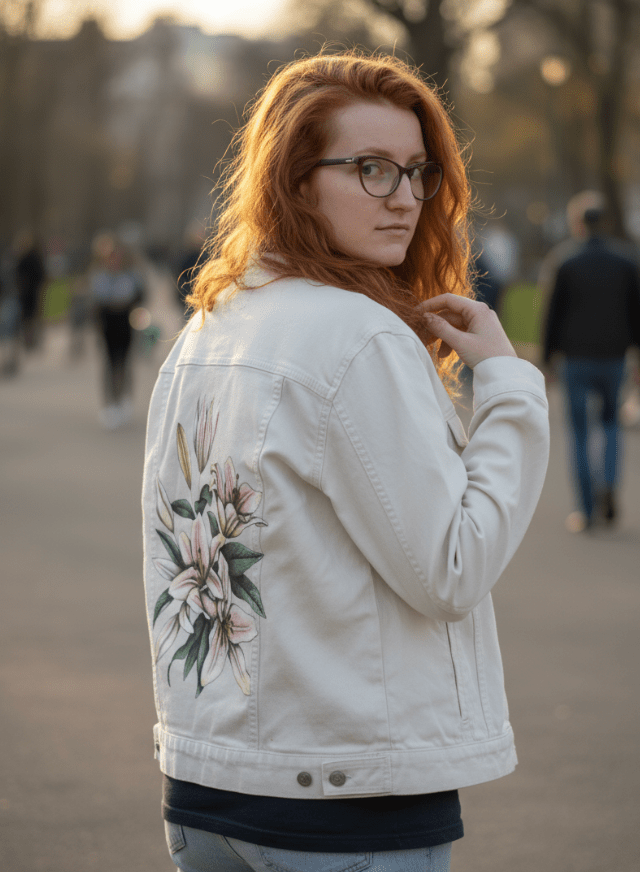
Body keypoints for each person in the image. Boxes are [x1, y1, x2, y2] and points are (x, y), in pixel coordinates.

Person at [142, 51, 550, 872]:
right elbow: (452, 567)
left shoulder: (209, 329)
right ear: (295, 182)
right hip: (343, 806)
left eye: (416, 171)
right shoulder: (356, 335)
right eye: (370, 169)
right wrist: (508, 384)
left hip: (208, 794)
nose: (404, 197)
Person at [542, 206, 640, 531]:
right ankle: (609, 482)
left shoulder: (565, 262)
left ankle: (586, 509)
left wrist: (546, 358)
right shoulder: (626, 262)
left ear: (577, 225)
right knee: (611, 425)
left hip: (575, 359)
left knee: (580, 433)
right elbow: (636, 311)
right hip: (614, 358)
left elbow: (552, 313)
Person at [89, 233, 145, 428]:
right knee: (109, 363)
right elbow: (95, 301)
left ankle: (124, 398)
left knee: (124, 362)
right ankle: (110, 403)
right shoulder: (99, 276)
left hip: (125, 321)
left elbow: (141, 296)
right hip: (107, 323)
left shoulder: (131, 275)